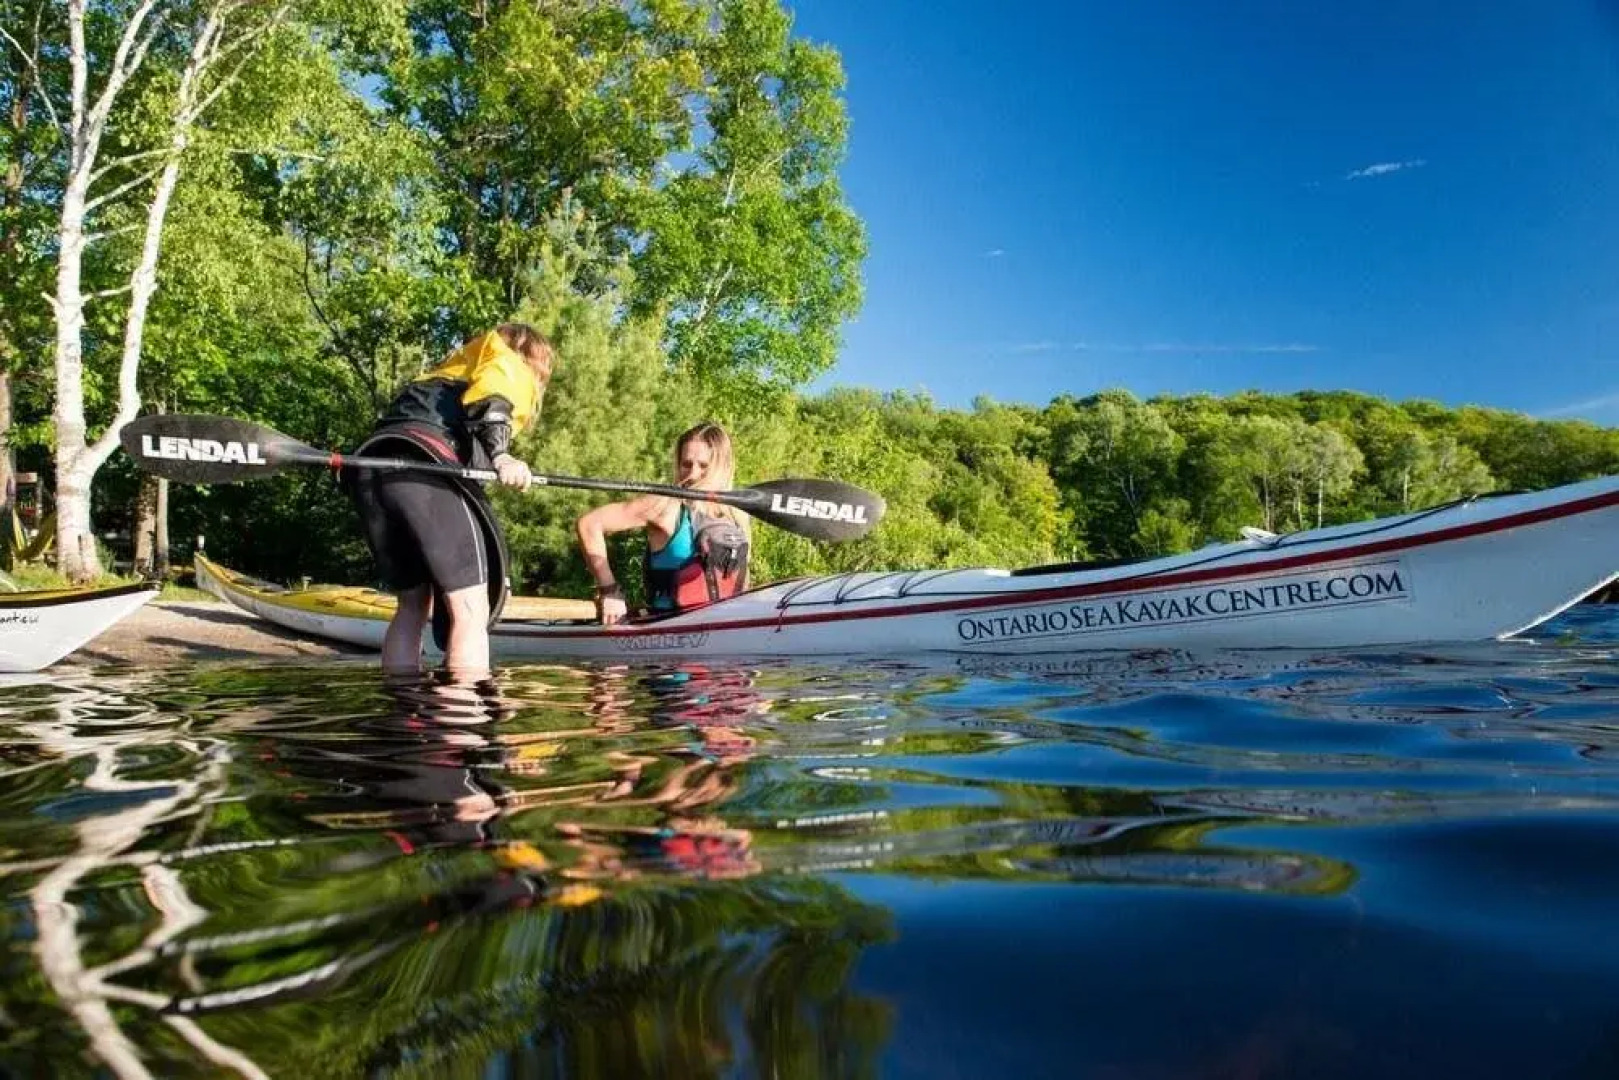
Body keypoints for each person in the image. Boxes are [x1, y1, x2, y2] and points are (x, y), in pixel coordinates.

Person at [344, 324, 555, 674]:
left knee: (411, 606)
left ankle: (401, 709)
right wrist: (502, 455)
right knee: (471, 609)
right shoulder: (505, 357)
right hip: (424, 471)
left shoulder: (442, 376)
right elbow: (494, 402)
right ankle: (461, 723)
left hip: (370, 469)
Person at [575, 422, 751, 625]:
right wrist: (609, 591)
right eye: (686, 464)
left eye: (703, 466)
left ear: (722, 467)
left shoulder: (738, 514)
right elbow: (589, 524)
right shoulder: (665, 505)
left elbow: (742, 583)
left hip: (724, 627)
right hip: (666, 626)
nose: (693, 474)